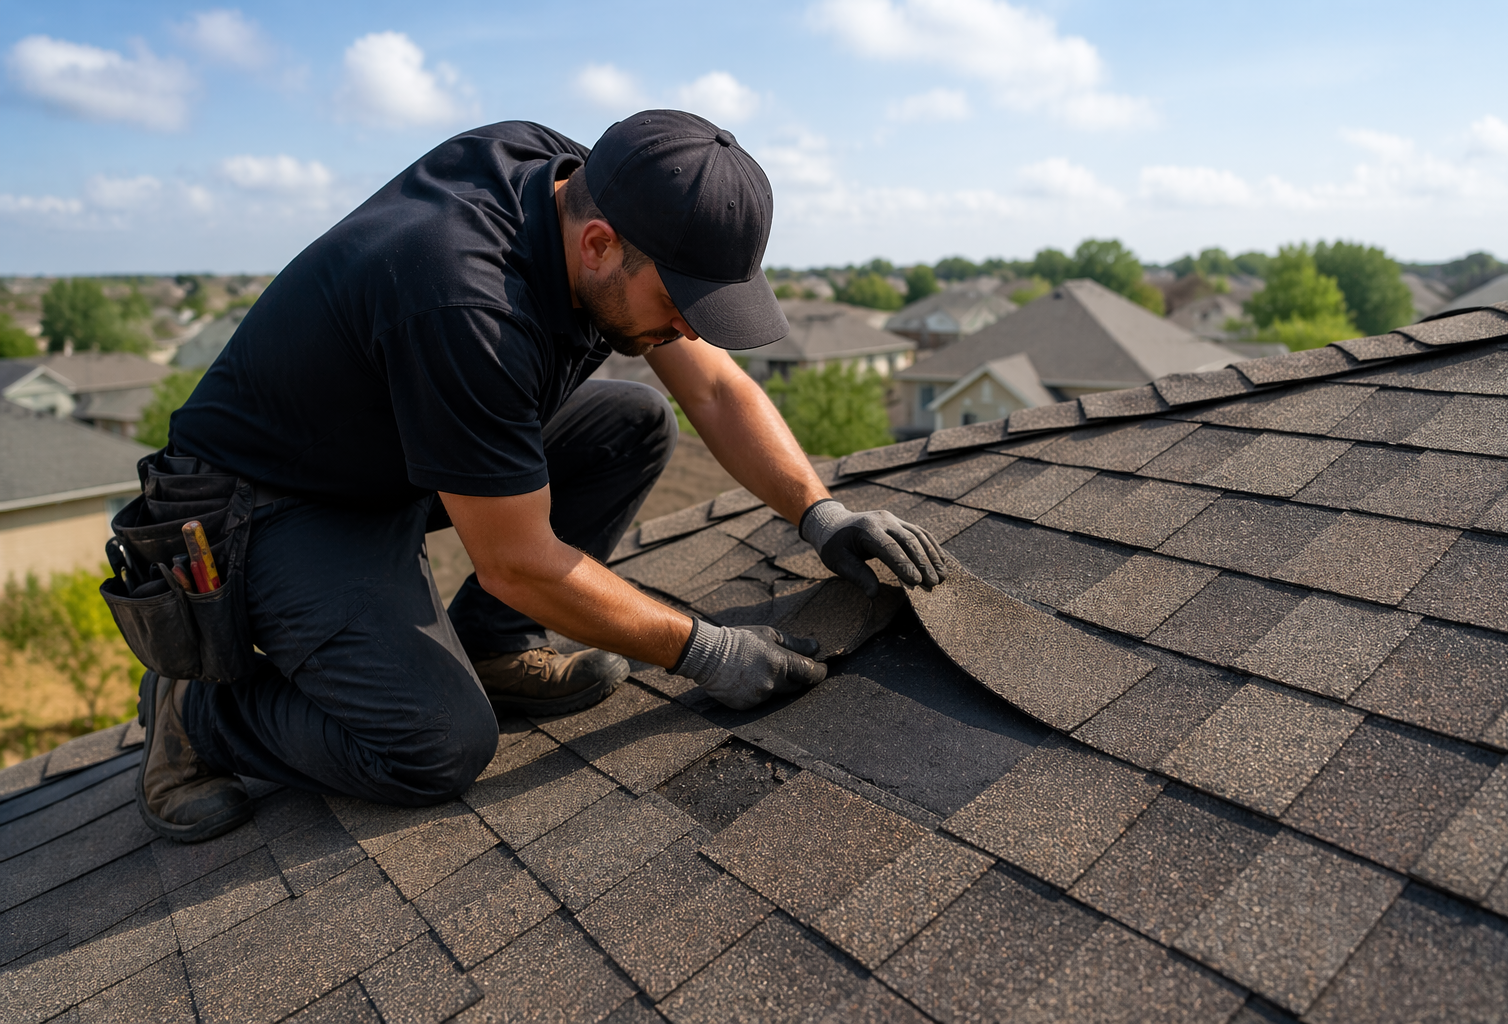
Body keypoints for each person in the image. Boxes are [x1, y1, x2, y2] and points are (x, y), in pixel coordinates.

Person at [138, 110, 947, 843]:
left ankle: (495, 647)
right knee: (436, 747)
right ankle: (202, 713)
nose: (688, 327)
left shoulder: (578, 185)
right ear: (597, 245)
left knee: (632, 423)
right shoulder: (466, 305)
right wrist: (707, 652)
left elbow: (714, 384)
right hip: (269, 503)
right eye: (680, 300)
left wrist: (821, 512)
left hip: (391, 445)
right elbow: (517, 560)